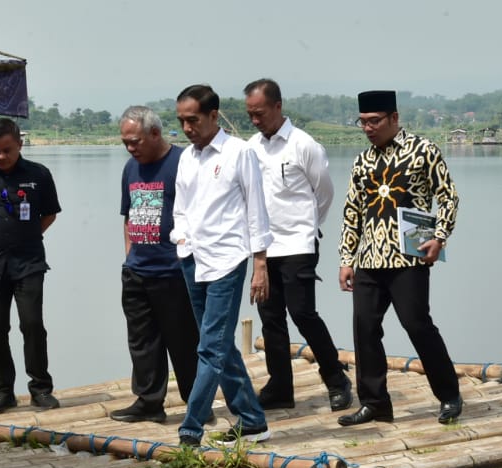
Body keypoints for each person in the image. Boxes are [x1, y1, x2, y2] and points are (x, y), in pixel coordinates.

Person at [337, 90, 463, 426]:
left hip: (410, 258)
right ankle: (375, 403)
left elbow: (448, 197)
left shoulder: (423, 151)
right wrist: (346, 258)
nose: (368, 128)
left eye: (374, 121)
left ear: (394, 118)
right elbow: (352, 211)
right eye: (362, 122)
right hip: (369, 259)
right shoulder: (362, 161)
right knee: (364, 329)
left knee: (417, 326)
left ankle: (449, 394)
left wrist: (440, 236)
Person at [171, 84, 272, 447]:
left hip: (228, 261)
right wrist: (180, 238)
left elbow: (257, 209)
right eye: (181, 121)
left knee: (210, 348)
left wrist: (260, 263)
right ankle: (252, 419)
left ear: (214, 116)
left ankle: (191, 428)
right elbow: (181, 208)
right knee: (218, 345)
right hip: (192, 259)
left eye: (193, 120)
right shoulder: (186, 157)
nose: (186, 128)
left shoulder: (239, 153)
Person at [243, 79, 352, 413]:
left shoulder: (304, 145)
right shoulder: (250, 148)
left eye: (260, 113)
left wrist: (306, 226)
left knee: (303, 313)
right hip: (263, 248)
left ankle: (335, 378)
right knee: (270, 317)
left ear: (278, 106)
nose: (255, 120)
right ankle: (280, 386)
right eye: (250, 115)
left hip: (298, 244)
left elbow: (325, 194)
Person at [0, 117, 62, 413]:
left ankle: (40, 388)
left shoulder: (39, 175)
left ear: (19, 143)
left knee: (32, 325)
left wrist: (25, 236)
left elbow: (49, 214)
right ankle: (3, 391)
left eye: (6, 150)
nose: (0, 157)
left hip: (29, 262)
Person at [110, 106, 199, 424]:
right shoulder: (130, 169)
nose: (131, 148)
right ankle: (149, 401)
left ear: (155, 134)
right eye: (125, 143)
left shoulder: (182, 163)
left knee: (184, 340)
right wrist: (129, 257)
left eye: (135, 141)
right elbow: (128, 215)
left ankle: (196, 402)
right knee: (142, 341)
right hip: (137, 270)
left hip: (174, 271)